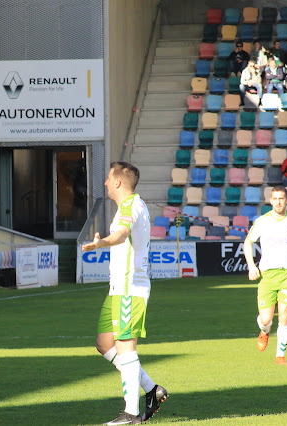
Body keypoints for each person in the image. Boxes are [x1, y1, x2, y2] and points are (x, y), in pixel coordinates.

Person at [82, 162, 168, 425]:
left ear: (118, 182)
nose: (106, 182)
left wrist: (101, 243)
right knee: (104, 343)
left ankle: (131, 414)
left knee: (126, 347)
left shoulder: (130, 206)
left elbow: (121, 234)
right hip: (118, 288)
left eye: (109, 178)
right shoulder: (130, 205)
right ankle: (152, 390)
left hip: (130, 288)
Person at [244, 186, 287, 365]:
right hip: (268, 275)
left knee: (285, 314)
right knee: (266, 319)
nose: (278, 202)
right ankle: (264, 330)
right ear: (270, 201)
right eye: (275, 199)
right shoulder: (262, 221)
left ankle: (280, 356)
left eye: (281, 198)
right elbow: (248, 242)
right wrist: (252, 266)